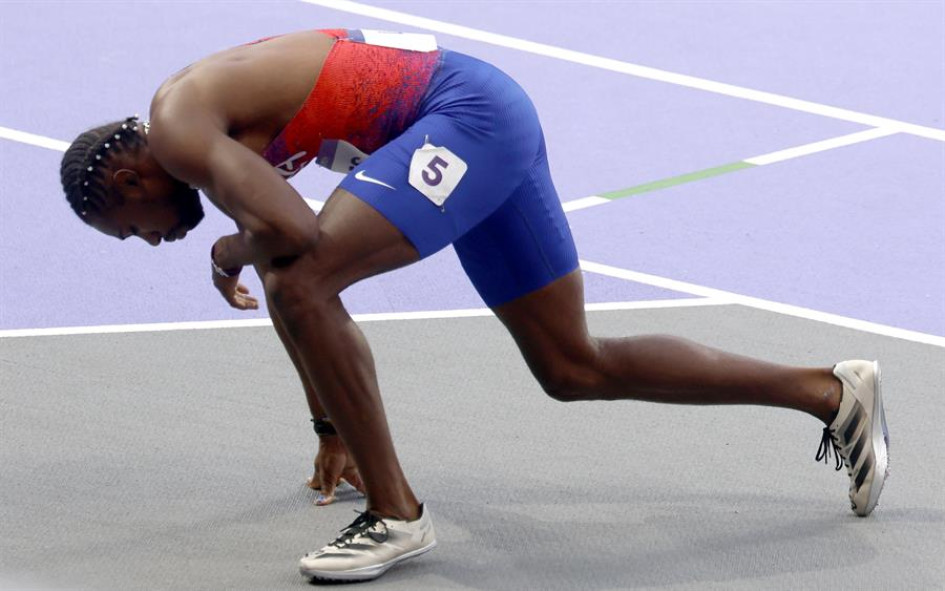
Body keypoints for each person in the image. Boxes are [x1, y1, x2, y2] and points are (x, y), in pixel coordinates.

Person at [59, 28, 889, 583]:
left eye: (127, 230)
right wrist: (329, 428)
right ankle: (830, 391)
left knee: (293, 270)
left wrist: (225, 248)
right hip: (484, 118)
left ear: (132, 181)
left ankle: (397, 515)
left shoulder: (178, 128)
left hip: (464, 118)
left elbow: (290, 239)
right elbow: (286, 259)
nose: (145, 241)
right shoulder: (213, 138)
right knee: (571, 366)